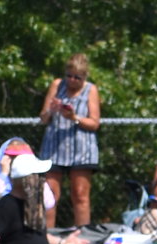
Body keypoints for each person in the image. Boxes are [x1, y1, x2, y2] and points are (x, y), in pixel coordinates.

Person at [38, 54, 103, 228]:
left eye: (77, 77)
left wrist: (74, 117)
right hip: (54, 148)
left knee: (80, 194)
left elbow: (94, 123)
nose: (72, 80)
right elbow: (43, 118)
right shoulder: (57, 85)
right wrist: (51, 111)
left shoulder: (91, 90)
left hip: (81, 149)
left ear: (85, 77)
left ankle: (82, 237)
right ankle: (48, 237)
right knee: (49, 194)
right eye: (69, 75)